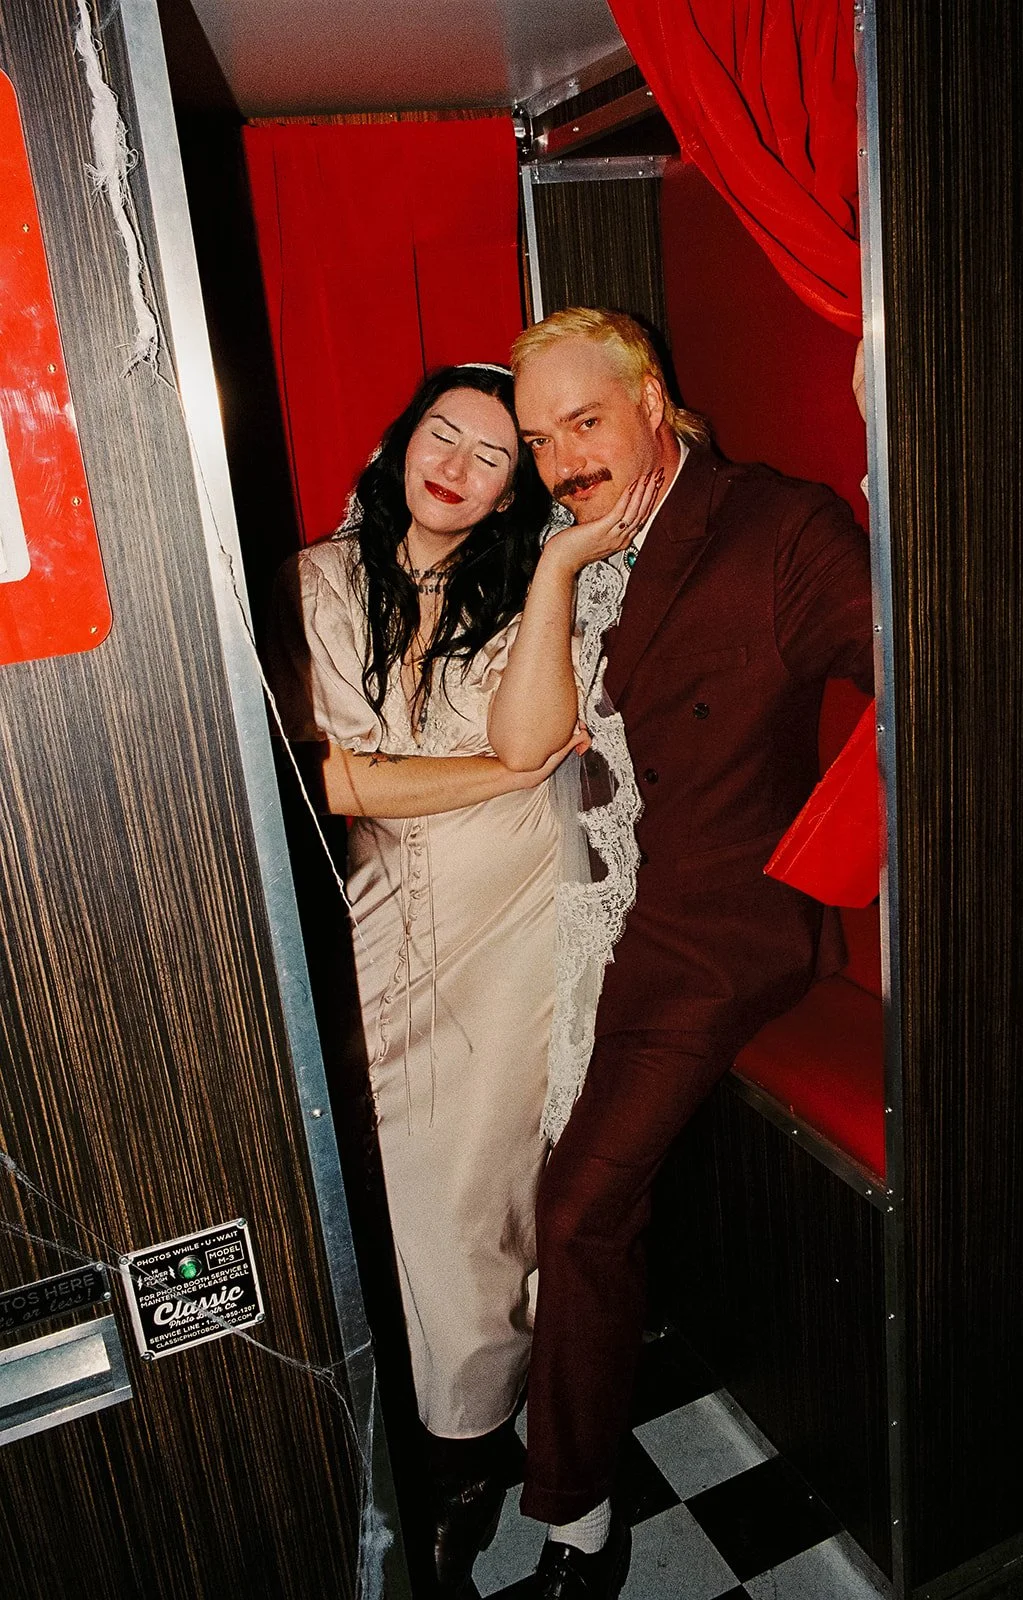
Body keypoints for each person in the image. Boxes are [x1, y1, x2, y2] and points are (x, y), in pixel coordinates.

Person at [489, 307, 875, 1599]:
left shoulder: (778, 529)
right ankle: (514, 1400)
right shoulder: (568, 547)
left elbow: (934, 676)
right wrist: (552, 570)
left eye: (584, 424)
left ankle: (575, 1526)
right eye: (540, 440)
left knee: (574, 1207)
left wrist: (846, 857)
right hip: (565, 905)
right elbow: (523, 747)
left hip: (702, 933)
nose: (561, 462)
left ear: (655, 402)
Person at [269, 363, 581, 1597]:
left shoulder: (524, 594)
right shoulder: (320, 580)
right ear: (398, 440)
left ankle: (462, 1475)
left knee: (481, 1202)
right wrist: (500, 774)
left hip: (524, 929)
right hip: (397, 924)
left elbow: (546, 737)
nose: (453, 462)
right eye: (439, 434)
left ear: (515, 489)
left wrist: (505, 768)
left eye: (491, 453)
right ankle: (430, 1448)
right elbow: (339, 779)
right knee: (410, 1194)